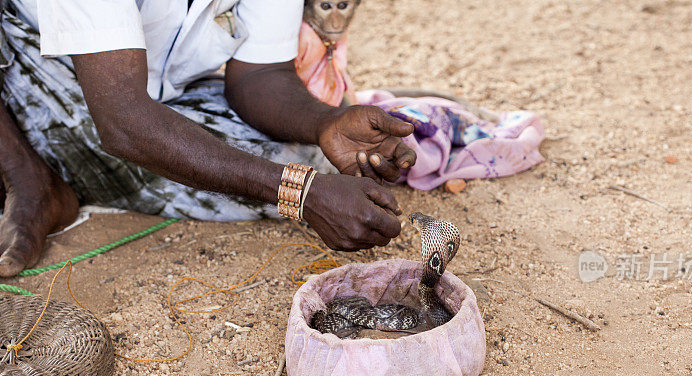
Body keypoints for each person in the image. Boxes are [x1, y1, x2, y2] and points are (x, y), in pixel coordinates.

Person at [0, 0, 417, 278]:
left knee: (317, 160)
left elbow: (260, 74)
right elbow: (122, 120)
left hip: (152, 97)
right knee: (301, 180)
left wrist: (327, 122)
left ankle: (77, 163)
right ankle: (27, 174)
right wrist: (299, 192)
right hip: (42, 73)